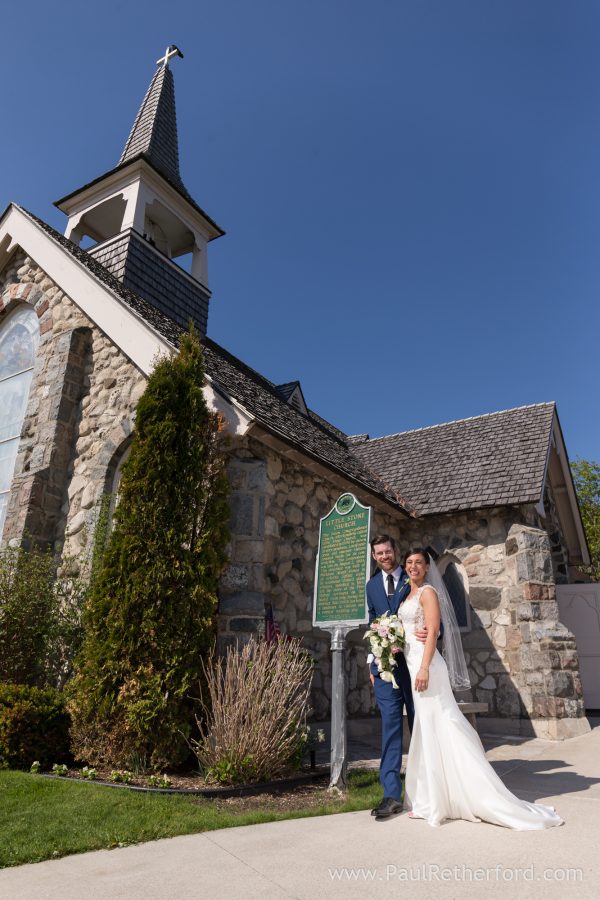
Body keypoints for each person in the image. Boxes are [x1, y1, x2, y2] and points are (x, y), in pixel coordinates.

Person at [401, 547, 564, 830]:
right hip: (412, 662)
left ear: (427, 568)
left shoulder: (428, 593)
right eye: (409, 563)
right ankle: (432, 796)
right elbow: (410, 629)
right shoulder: (408, 595)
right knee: (428, 729)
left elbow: (434, 630)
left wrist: (425, 667)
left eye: (419, 562)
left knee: (438, 725)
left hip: (426, 667)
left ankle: (444, 799)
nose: (413, 566)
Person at [367, 535, 427, 821]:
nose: (384, 556)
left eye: (387, 551)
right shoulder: (371, 586)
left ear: (395, 551)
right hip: (384, 669)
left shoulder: (411, 577)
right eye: (378, 553)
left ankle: (423, 789)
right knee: (390, 728)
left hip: (413, 664)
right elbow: (372, 624)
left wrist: (433, 634)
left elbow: (428, 614)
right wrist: (372, 663)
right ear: (374, 556)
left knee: (419, 724)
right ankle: (391, 794)